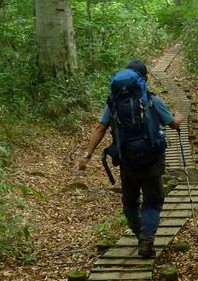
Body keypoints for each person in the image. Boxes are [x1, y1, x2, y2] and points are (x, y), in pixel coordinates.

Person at [77, 59, 184, 258]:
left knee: (130, 200)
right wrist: (178, 115)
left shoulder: (114, 103)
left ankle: (138, 232)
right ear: (143, 79)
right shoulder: (153, 100)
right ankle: (146, 239)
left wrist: (87, 155)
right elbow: (174, 124)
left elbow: (100, 128)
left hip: (127, 159)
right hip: (152, 158)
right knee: (153, 201)